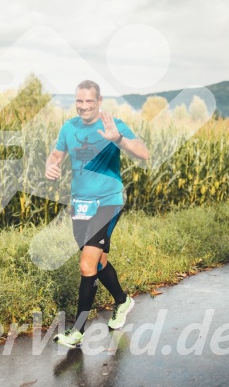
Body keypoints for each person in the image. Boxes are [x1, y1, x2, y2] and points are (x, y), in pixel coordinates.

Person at [45, 80, 150, 348]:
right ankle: (123, 301)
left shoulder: (112, 124)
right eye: (79, 101)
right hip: (80, 204)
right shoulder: (69, 127)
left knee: (86, 264)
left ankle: (77, 331)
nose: (83, 106)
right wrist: (52, 165)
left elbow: (143, 153)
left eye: (89, 101)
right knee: (98, 261)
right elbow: (56, 154)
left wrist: (118, 139)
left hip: (108, 200)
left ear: (99, 101)